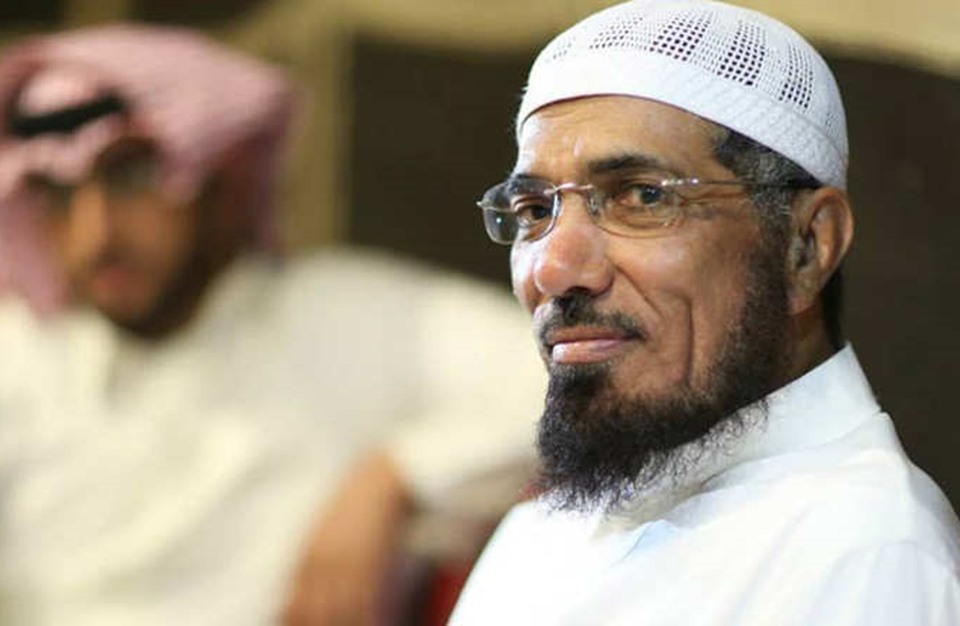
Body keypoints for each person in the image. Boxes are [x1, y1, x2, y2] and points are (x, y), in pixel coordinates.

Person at [0, 25, 545, 625]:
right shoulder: (21, 353)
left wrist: (399, 475)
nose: (95, 234)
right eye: (58, 195)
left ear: (219, 180)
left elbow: (568, 380)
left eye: (131, 178)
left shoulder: (339, 315)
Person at [448, 1, 960, 624]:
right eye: (534, 210)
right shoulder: (539, 532)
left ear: (807, 246)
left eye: (642, 196)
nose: (553, 269)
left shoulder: (862, 552)